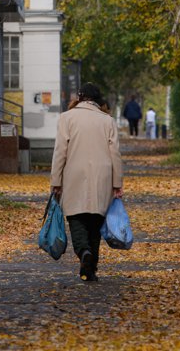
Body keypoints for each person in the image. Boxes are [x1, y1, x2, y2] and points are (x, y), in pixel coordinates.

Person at [51, 82, 123, 282]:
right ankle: (91, 268)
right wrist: (117, 183)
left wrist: (56, 181)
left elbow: (60, 152)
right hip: (102, 177)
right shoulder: (107, 121)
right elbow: (115, 153)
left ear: (80, 97)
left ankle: (84, 252)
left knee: (76, 219)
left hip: (74, 175)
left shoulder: (66, 118)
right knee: (95, 222)